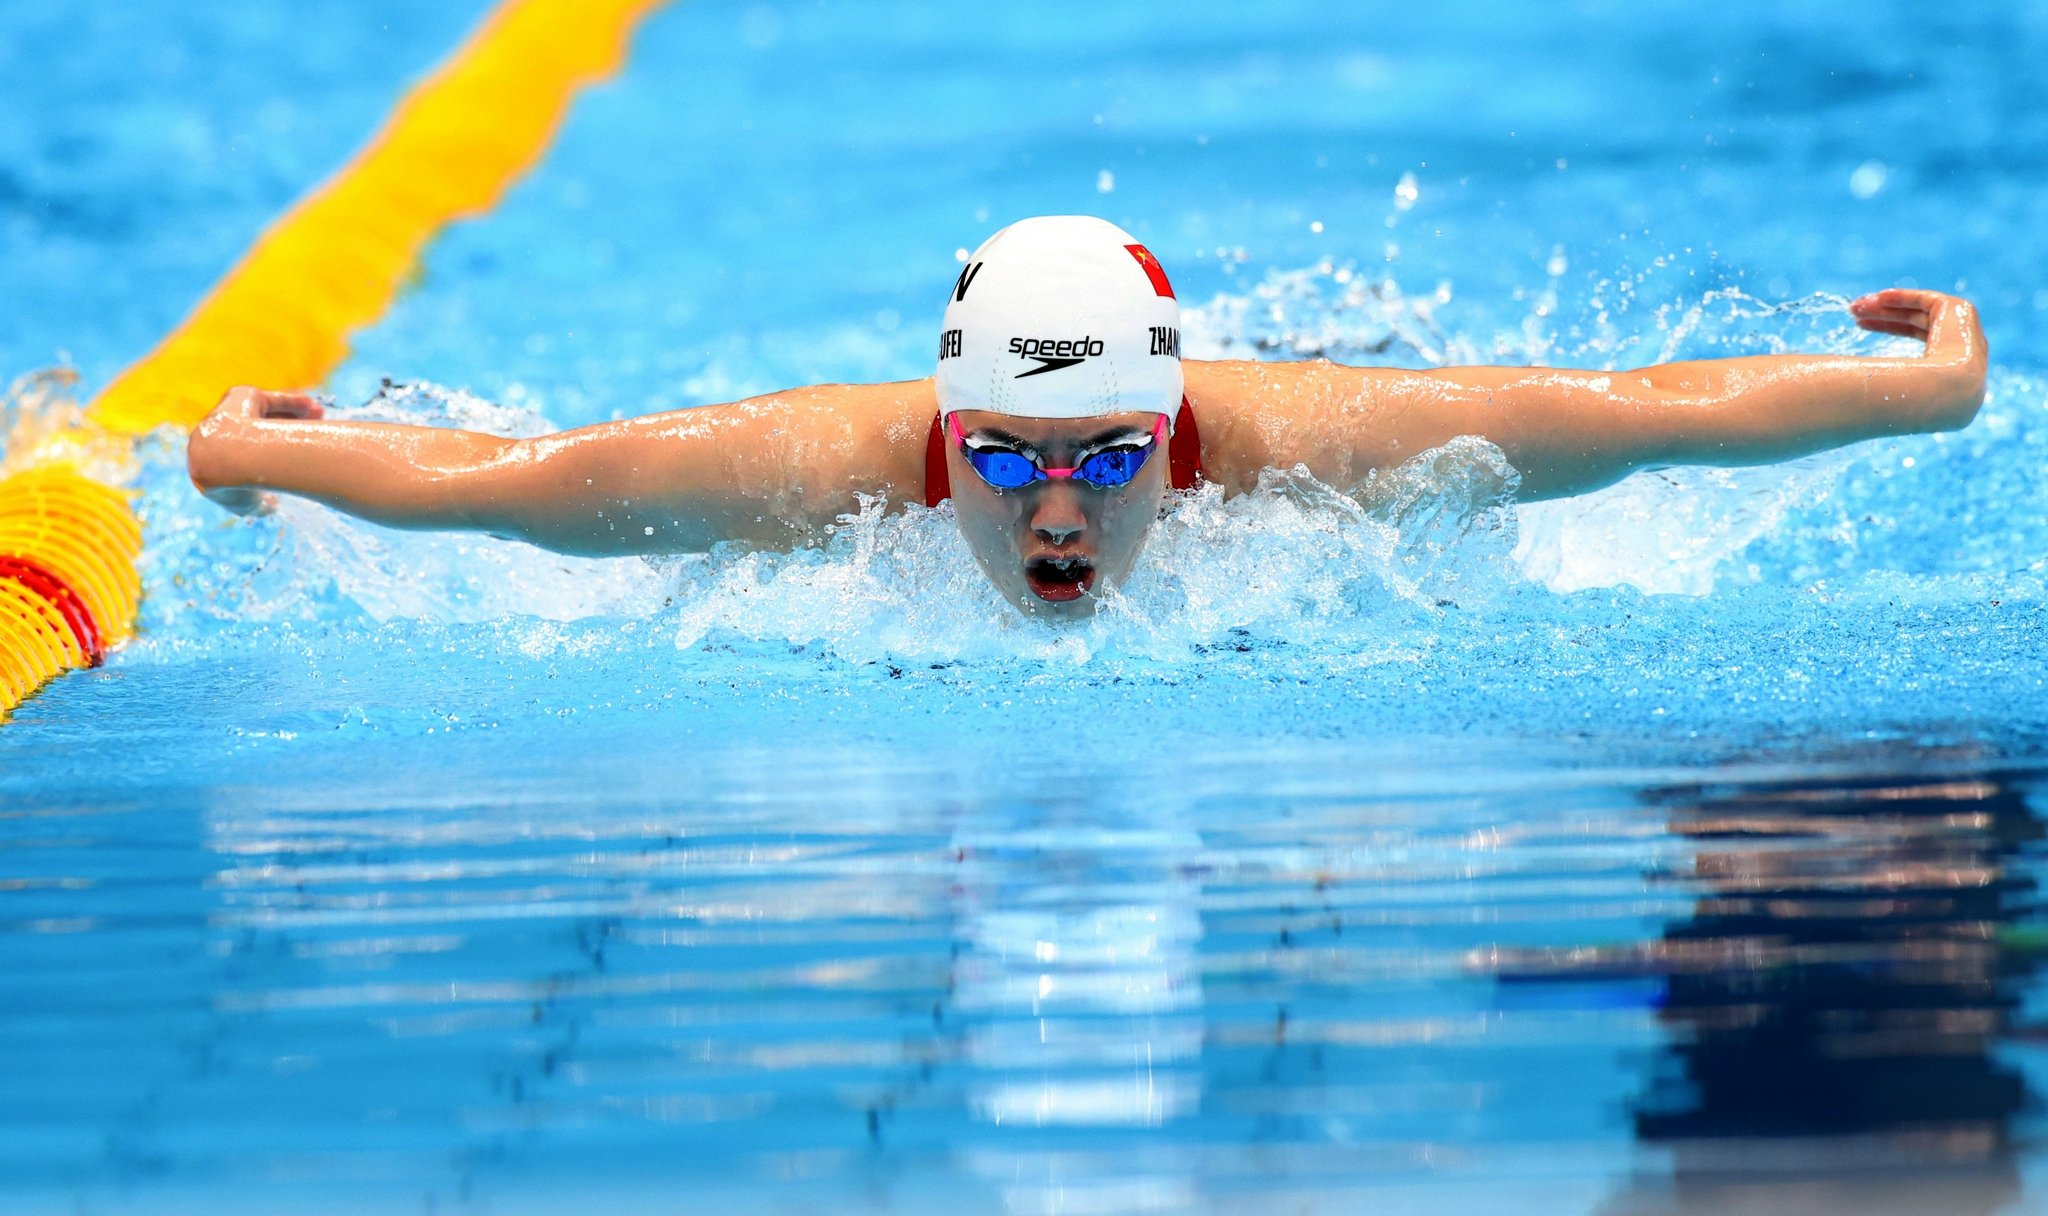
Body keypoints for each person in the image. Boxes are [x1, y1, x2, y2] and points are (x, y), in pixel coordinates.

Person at [186, 215, 1986, 618]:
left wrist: (1931, 399)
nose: (1061, 509)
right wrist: (249, 453)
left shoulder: (1309, 447)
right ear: (946, 435)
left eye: (1111, 456)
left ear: (1177, 434)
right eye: (1013, 458)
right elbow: (521, 486)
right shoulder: (823, 471)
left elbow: (1656, 414)